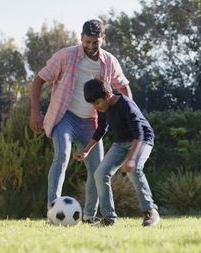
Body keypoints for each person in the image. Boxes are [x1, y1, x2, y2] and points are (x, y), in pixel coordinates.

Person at [29, 19, 132, 224]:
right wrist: (35, 113)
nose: (91, 47)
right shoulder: (66, 56)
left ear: (103, 39)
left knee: (97, 169)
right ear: (81, 37)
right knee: (62, 156)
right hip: (65, 117)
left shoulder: (109, 61)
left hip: (91, 122)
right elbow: (39, 79)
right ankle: (53, 211)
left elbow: (124, 87)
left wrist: (129, 115)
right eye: (87, 42)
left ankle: (89, 216)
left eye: (96, 42)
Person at [73, 78, 160, 227]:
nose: (96, 107)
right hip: (121, 142)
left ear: (107, 95)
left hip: (142, 140)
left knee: (135, 170)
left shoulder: (126, 105)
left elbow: (138, 134)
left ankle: (150, 211)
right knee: (100, 174)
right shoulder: (103, 108)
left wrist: (131, 159)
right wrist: (86, 150)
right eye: (93, 104)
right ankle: (109, 219)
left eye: (97, 102)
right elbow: (101, 129)